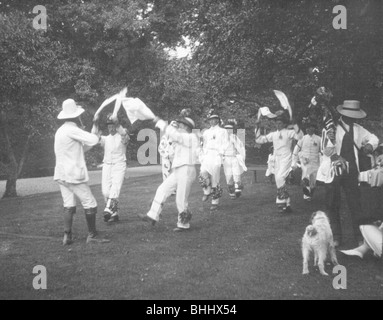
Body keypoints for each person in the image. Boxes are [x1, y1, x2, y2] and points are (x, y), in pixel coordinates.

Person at [323, 100, 379, 246]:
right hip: (334, 170)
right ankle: (336, 237)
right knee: (333, 204)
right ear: (343, 114)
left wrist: (369, 146)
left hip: (351, 171)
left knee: (355, 204)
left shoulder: (358, 129)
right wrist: (335, 157)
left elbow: (375, 138)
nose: (353, 118)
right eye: (351, 115)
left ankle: (359, 237)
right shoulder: (332, 127)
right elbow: (326, 149)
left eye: (355, 116)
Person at [54, 99, 109, 245]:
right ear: (75, 116)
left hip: (61, 175)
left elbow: (82, 147)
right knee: (90, 203)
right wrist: (96, 131)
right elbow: (92, 140)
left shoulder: (61, 131)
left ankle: (67, 236)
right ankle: (92, 236)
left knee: (69, 204)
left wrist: (94, 135)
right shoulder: (72, 129)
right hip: (72, 175)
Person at [138, 109, 200, 231]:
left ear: (187, 127)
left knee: (181, 199)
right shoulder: (181, 138)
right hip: (178, 170)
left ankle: (183, 224)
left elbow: (175, 135)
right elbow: (172, 150)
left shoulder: (191, 137)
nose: (178, 126)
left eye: (181, 125)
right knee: (162, 189)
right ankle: (152, 215)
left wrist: (160, 122)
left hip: (187, 169)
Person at [255, 111, 303, 213]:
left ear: (284, 124)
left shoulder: (289, 132)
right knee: (278, 180)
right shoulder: (273, 134)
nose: (278, 125)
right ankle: (287, 203)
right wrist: (257, 127)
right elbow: (259, 140)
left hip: (286, 158)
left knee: (280, 177)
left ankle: (281, 202)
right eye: (276, 123)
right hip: (276, 159)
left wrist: (295, 125)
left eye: (280, 123)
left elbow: (300, 137)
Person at [91, 114, 129, 223]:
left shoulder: (123, 136)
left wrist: (117, 123)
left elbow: (123, 134)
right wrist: (95, 123)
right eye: (109, 126)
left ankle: (108, 210)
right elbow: (94, 137)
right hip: (107, 165)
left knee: (115, 189)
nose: (111, 128)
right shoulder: (106, 139)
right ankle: (115, 213)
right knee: (105, 192)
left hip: (119, 164)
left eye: (113, 126)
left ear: (116, 126)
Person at [199, 109, 228, 211]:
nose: (212, 121)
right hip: (207, 155)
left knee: (215, 179)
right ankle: (207, 191)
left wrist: (221, 155)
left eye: (214, 119)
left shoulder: (223, 131)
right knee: (203, 173)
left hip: (216, 155)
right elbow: (203, 144)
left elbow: (225, 144)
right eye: (210, 120)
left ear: (218, 120)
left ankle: (215, 202)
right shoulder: (206, 132)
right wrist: (202, 155)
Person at [292, 121, 321, 201]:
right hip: (305, 161)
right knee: (306, 177)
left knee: (313, 181)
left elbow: (322, 151)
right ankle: (306, 195)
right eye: (307, 128)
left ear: (314, 128)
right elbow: (296, 149)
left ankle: (310, 193)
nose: (308, 129)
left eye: (310, 127)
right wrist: (294, 160)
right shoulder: (303, 138)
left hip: (315, 162)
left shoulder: (319, 139)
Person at [222, 119, 247, 199]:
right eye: (226, 130)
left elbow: (240, 147)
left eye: (229, 130)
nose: (228, 131)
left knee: (236, 173)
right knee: (228, 175)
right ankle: (231, 191)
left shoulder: (234, 137)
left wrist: (241, 156)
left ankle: (237, 189)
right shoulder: (222, 139)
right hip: (226, 159)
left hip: (234, 158)